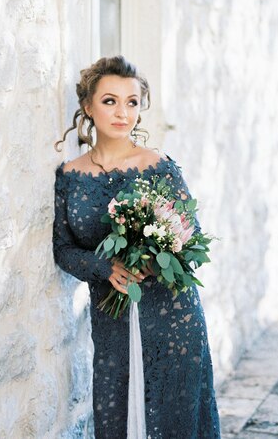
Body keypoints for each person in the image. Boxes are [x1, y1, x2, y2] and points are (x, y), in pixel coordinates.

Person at [53, 55, 221, 439]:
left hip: (171, 317)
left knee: (175, 421)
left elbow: (189, 231)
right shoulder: (69, 177)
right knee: (116, 419)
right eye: (110, 101)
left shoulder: (159, 166)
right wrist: (105, 268)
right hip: (111, 322)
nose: (122, 112)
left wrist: (150, 256)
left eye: (132, 102)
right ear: (87, 107)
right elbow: (62, 249)